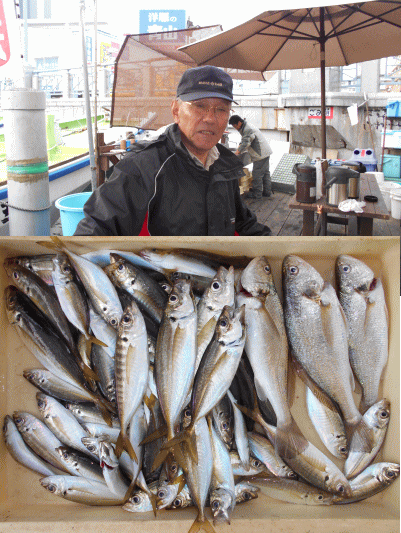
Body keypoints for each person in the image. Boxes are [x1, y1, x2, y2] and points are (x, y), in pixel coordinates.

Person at [74, 66, 271, 236]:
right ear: (176, 111)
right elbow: (95, 230)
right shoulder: (143, 166)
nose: (210, 118)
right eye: (199, 106)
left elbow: (243, 224)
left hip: (218, 277)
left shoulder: (225, 165)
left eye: (221, 109)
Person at [229, 115, 273, 199]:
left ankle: (257, 194)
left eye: (235, 126)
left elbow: (245, 143)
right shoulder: (246, 126)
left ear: (239, 122)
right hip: (265, 152)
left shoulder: (247, 129)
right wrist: (239, 148)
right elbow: (244, 140)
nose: (235, 128)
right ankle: (267, 192)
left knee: (257, 174)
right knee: (265, 173)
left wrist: (236, 153)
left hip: (260, 154)